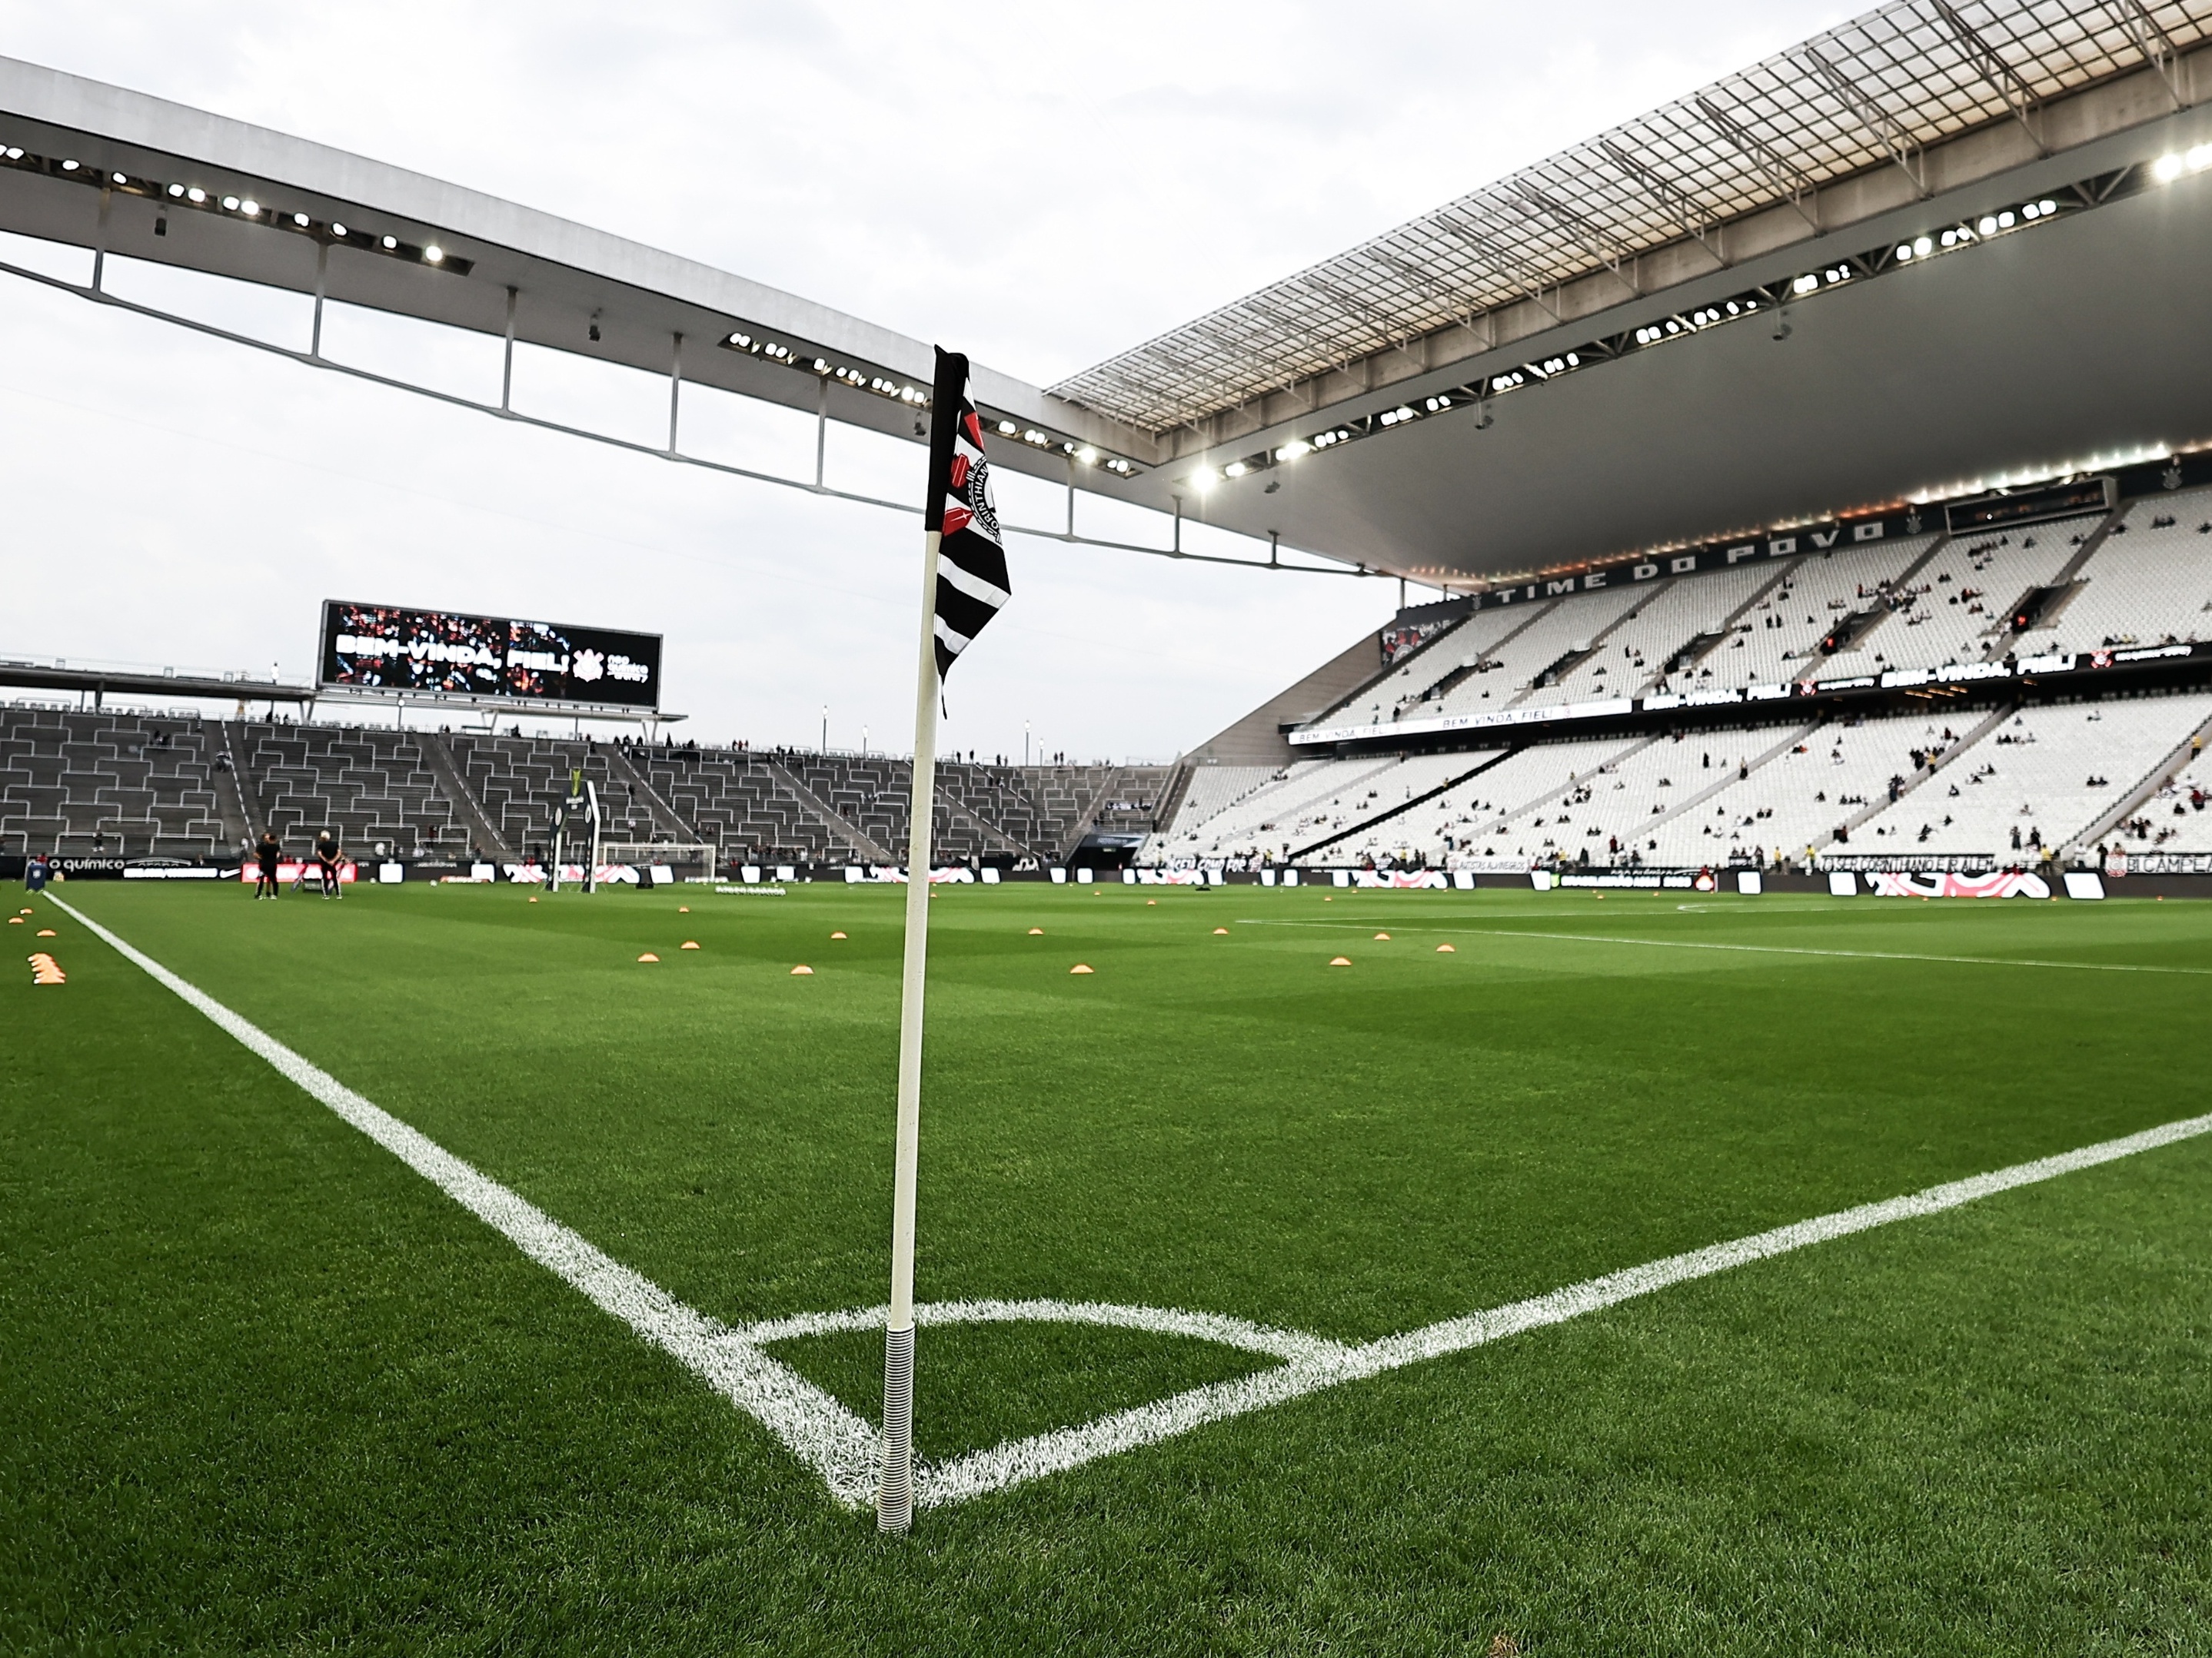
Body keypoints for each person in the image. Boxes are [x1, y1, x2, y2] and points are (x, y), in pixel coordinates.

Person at [314, 829, 344, 899]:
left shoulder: (321, 845)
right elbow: (339, 853)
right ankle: (338, 894)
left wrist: (327, 861)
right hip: (333, 864)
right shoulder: (335, 844)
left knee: (325, 878)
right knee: (334, 878)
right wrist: (333, 861)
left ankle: (326, 894)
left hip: (324, 864)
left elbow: (320, 854)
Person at [254, 830, 281, 899]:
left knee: (263, 879)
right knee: (272, 880)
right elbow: (278, 853)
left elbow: (257, 854)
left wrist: (261, 858)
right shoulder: (276, 846)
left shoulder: (263, 847)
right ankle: (274, 894)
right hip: (271, 864)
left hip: (264, 864)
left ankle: (262, 893)